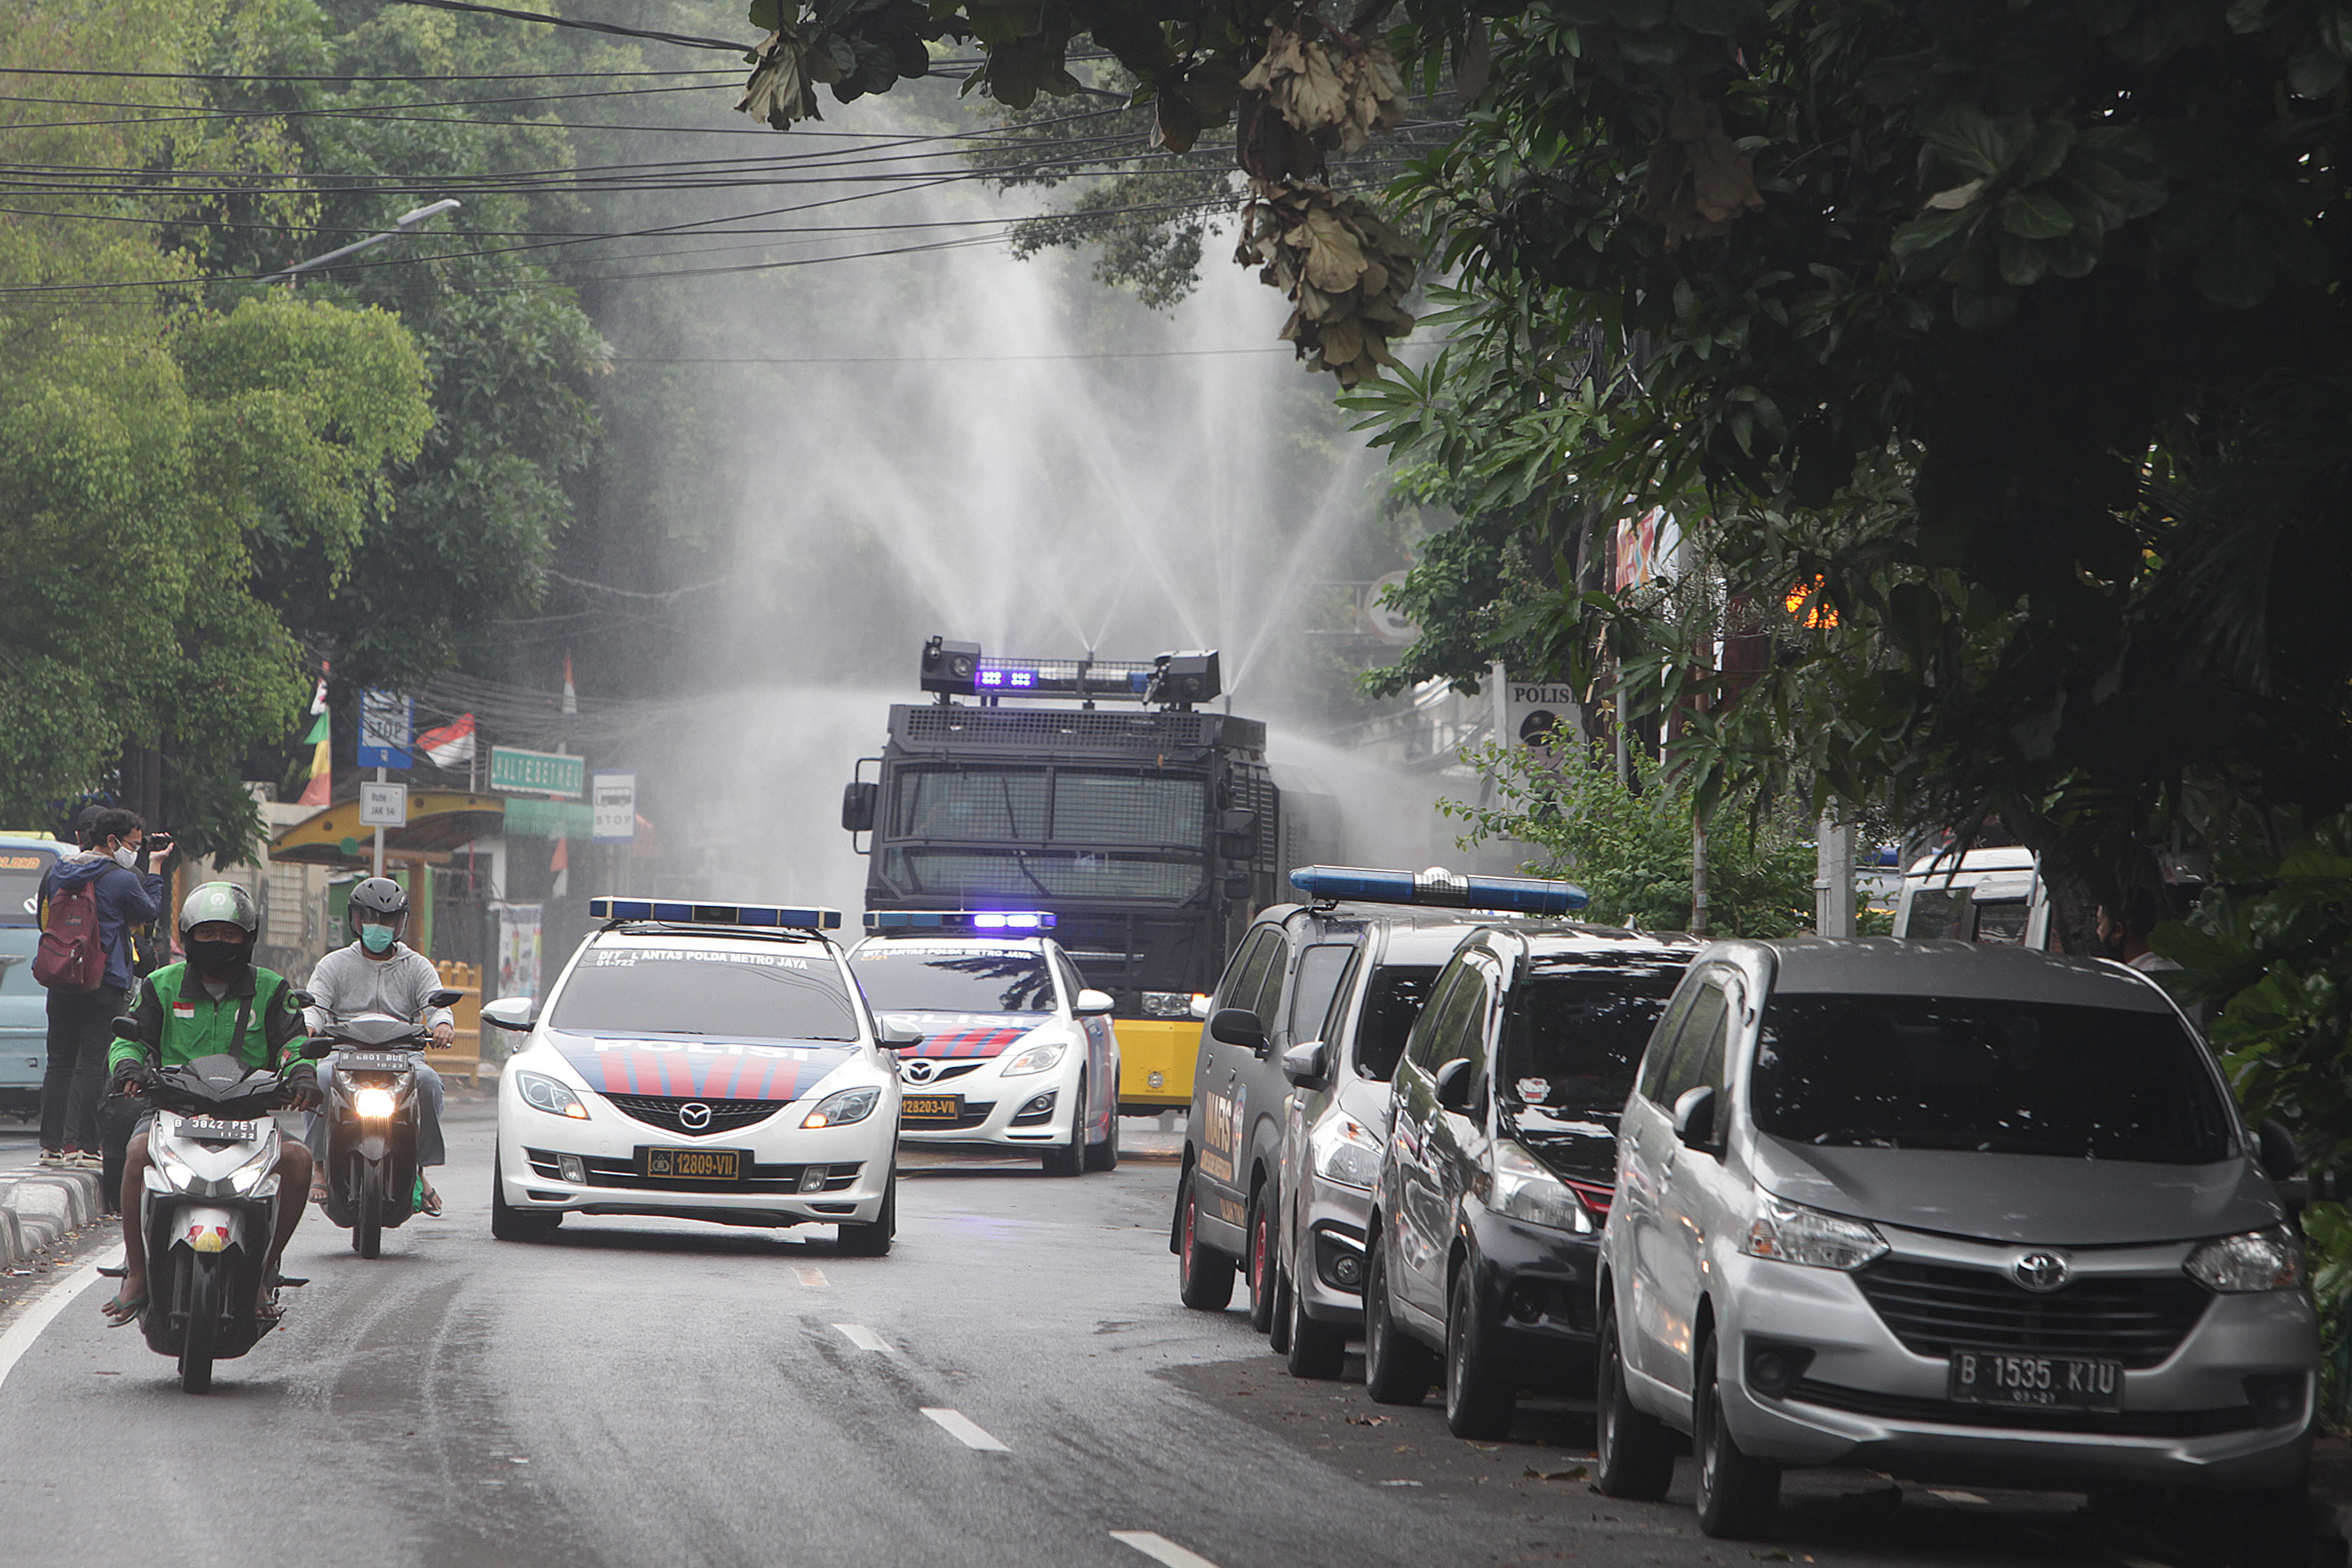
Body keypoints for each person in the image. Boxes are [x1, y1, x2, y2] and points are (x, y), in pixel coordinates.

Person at [100, 882, 316, 1326]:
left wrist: (301, 1072)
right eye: (208, 933)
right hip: (173, 1111)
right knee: (137, 1153)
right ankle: (137, 1274)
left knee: (298, 1160)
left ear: (248, 938)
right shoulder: (160, 985)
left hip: (249, 1115)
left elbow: (294, 1042)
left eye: (231, 934)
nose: (219, 943)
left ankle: (263, 1271)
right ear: (189, 936)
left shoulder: (272, 989)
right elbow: (129, 1040)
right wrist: (128, 1069)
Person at [303, 877, 453, 1215]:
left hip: (403, 1056)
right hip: (344, 1055)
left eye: (387, 919)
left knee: (428, 1083)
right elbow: (314, 1005)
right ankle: (319, 1165)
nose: (378, 926)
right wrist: (308, 1027)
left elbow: (436, 1004)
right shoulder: (333, 964)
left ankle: (418, 1170)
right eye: (370, 917)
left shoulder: (417, 966)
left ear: (400, 923)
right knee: (319, 1080)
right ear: (356, 921)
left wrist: (443, 1024)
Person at [35, 807, 166, 1170]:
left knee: (58, 1061)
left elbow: (42, 918)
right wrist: (154, 868)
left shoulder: (58, 871)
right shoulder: (121, 879)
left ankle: (50, 1145)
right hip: (103, 980)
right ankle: (86, 1146)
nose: (135, 851)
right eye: (133, 845)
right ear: (111, 841)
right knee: (93, 1062)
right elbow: (150, 911)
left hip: (61, 976)